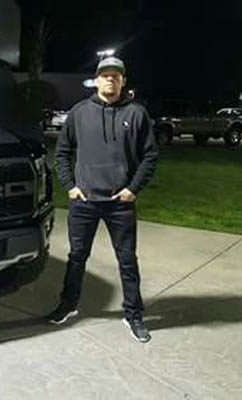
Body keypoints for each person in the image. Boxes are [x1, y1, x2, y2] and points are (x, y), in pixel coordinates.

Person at [49, 56, 159, 343]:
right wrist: (70, 186)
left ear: (123, 82)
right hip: (84, 201)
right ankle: (68, 304)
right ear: (96, 80)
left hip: (120, 203)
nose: (111, 79)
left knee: (127, 260)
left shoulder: (136, 113)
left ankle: (133, 314)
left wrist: (133, 188)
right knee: (77, 257)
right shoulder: (79, 112)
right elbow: (62, 153)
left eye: (116, 76)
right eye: (106, 75)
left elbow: (150, 156)